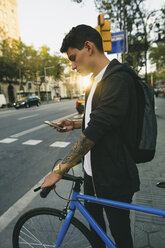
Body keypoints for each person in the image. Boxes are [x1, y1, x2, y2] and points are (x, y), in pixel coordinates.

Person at [41, 24, 140, 248]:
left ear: (88, 47)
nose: (73, 66)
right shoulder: (95, 80)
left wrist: (59, 170)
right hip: (91, 174)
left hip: (114, 176)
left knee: (120, 235)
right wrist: (75, 123)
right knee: (96, 234)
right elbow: (98, 120)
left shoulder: (118, 78)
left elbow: (96, 130)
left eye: (74, 58)